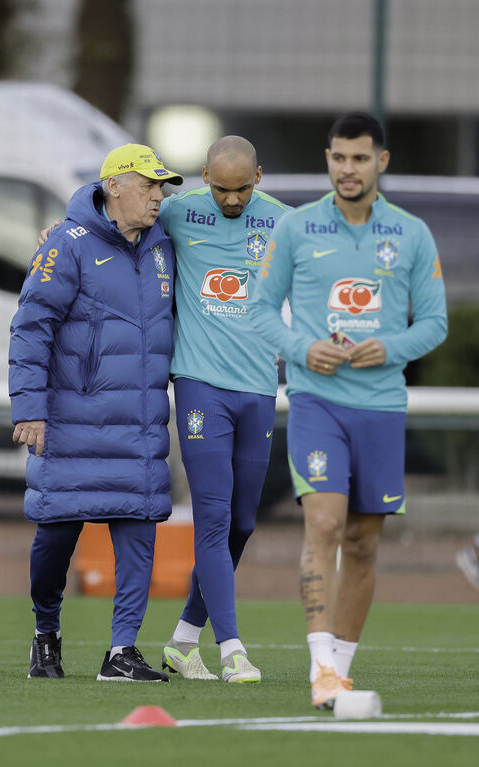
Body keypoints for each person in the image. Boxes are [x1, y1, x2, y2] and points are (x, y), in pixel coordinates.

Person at [255, 112, 447, 708]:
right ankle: (320, 669)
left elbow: (435, 323)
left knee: (363, 541)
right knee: (325, 523)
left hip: (383, 406)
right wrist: (299, 348)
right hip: (316, 402)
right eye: (338, 157)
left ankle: (341, 668)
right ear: (328, 159)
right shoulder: (298, 228)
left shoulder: (412, 234)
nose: (346, 169)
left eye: (359, 158)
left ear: (381, 162)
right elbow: (261, 309)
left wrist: (388, 348)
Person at [11, 144, 182, 682]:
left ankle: (122, 652)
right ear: (114, 187)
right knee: (55, 537)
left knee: (139, 530)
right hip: (71, 422)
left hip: (140, 424)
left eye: (163, 187)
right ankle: (45, 633)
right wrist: (30, 407)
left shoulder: (166, 245)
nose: (160, 196)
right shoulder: (67, 243)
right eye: (150, 186)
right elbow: (30, 325)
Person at [156, 137, 290, 684]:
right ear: (203, 174)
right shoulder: (177, 209)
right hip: (199, 387)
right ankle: (232, 649)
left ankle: (183, 641)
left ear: (259, 175)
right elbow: (102, 203)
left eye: (242, 189)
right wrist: (59, 229)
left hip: (259, 390)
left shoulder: (284, 221)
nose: (231, 200)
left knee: (241, 523)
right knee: (212, 519)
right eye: (220, 188)